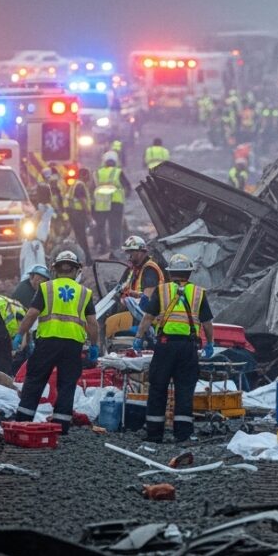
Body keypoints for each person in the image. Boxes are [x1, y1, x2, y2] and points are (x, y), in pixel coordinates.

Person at [12, 251, 100, 434]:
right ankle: (61, 426)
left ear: (55, 269)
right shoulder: (84, 292)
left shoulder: (46, 288)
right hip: (73, 346)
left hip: (47, 343)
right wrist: (94, 345)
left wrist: (20, 334)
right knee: (67, 385)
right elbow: (92, 323)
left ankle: (22, 422)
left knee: (35, 380)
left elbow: (31, 314)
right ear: (77, 270)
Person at [132, 254, 215, 443]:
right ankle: (183, 434)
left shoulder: (162, 291)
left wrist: (138, 338)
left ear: (170, 274)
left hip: (164, 346)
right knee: (185, 390)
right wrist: (210, 342)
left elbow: (147, 317)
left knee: (158, 388)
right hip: (188, 347)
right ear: (189, 274)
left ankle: (154, 434)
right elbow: (207, 323)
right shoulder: (198, 293)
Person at [93, 153, 131, 255]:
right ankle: (115, 248)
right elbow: (127, 186)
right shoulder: (118, 171)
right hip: (116, 202)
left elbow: (92, 187)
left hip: (101, 203)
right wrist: (126, 195)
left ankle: (102, 247)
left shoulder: (98, 172)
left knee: (100, 226)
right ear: (115, 162)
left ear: (104, 162)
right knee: (115, 226)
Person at [65, 169, 93, 264]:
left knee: (79, 237)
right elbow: (82, 200)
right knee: (82, 237)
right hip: (78, 214)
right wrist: (88, 214)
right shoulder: (80, 185)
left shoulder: (76, 184)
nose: (89, 178)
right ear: (84, 175)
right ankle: (87, 259)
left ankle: (80, 258)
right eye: (88, 175)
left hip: (73, 213)